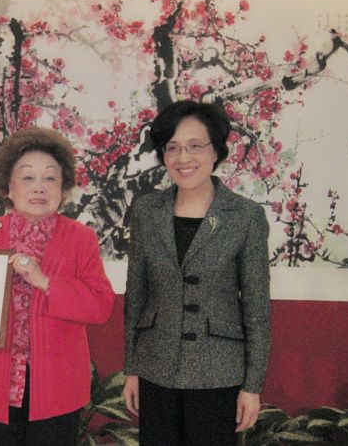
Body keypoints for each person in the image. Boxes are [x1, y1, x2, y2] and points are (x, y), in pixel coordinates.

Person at [0, 126, 115, 445]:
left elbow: (100, 306)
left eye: (50, 178)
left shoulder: (80, 238)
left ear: (63, 187)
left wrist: (45, 281)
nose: (39, 187)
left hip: (56, 387)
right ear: (8, 187)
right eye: (27, 177)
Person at [122, 100, 271, 446]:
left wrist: (252, 386)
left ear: (216, 151)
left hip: (219, 372)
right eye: (171, 148)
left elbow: (256, 306)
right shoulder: (147, 210)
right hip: (155, 367)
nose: (182, 158)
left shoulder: (245, 216)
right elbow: (136, 295)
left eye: (195, 146)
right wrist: (132, 368)